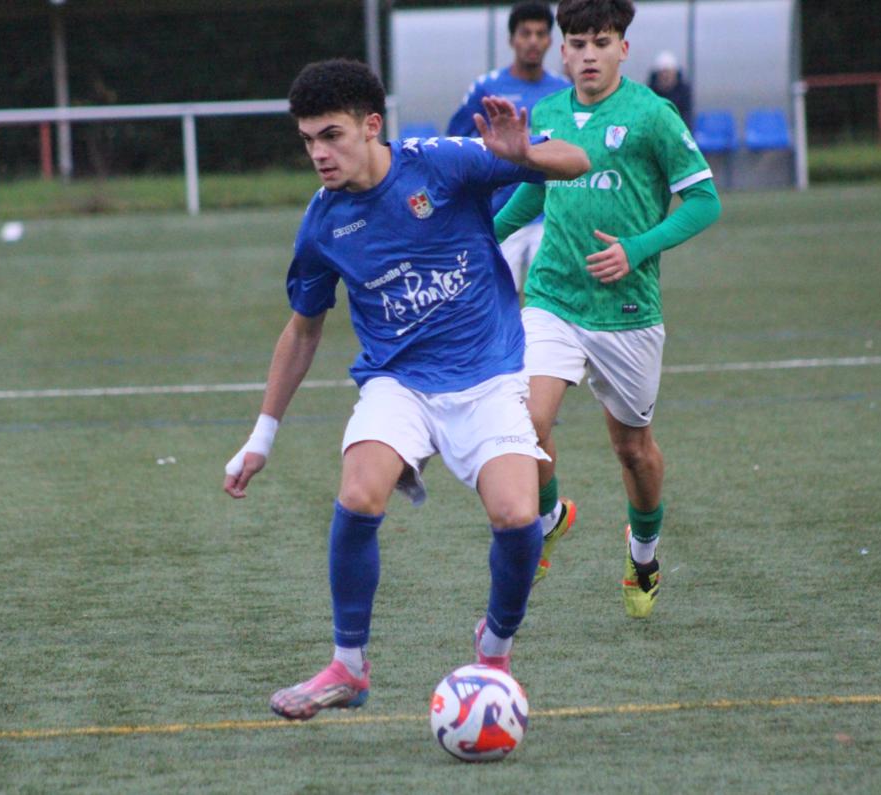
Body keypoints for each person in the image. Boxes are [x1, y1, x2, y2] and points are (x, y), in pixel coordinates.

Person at [223, 59, 589, 721]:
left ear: (371, 125)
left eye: (331, 135)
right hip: (399, 383)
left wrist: (525, 155)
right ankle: (348, 665)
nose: (319, 153)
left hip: (488, 374)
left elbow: (577, 160)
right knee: (359, 493)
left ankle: (494, 652)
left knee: (517, 517)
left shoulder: (441, 164)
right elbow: (303, 330)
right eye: (307, 140)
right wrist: (261, 436)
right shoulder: (323, 224)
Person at [492, 0, 721, 618]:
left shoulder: (652, 115)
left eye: (601, 42)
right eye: (577, 43)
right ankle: (548, 518)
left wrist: (636, 249)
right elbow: (532, 195)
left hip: (627, 311)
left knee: (633, 450)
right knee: (523, 420)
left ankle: (643, 554)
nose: (588, 54)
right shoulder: (546, 114)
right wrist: (483, 239)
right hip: (553, 298)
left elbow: (705, 201)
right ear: (562, 51)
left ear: (624, 48)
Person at [447, 2, 572, 296]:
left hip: (550, 215)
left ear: (550, 41)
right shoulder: (486, 88)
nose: (533, 41)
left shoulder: (564, 89)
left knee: (553, 299)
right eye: (525, 33)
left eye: (540, 34)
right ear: (511, 39)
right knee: (499, 301)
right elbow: (455, 143)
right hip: (501, 213)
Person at [648, 50, 693, 127]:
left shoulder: (683, 93)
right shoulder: (649, 94)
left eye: (669, 73)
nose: (666, 77)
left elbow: (687, 117)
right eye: (663, 73)